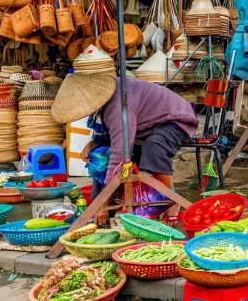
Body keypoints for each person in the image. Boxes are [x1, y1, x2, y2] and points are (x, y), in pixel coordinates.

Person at [51, 64, 199, 224]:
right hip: (145, 123)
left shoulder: (118, 106)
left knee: (154, 146)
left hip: (174, 118)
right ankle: (107, 209)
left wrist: (103, 203)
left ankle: (171, 199)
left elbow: (119, 156)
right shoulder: (103, 103)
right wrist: (95, 142)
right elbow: (111, 136)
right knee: (102, 156)